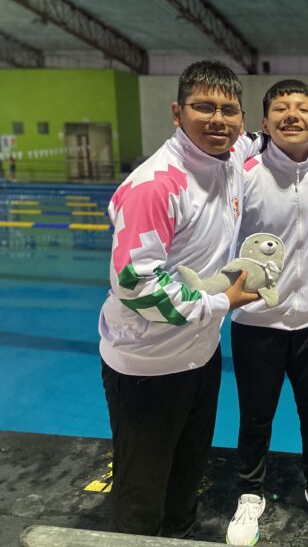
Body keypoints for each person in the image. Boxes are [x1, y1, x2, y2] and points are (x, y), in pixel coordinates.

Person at [98, 60, 261, 538]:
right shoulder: (157, 184)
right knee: (141, 492)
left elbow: (270, 136)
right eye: (203, 107)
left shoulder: (229, 159)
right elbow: (134, 284)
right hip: (146, 368)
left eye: (228, 110)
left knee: (188, 476)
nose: (218, 119)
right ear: (177, 112)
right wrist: (221, 303)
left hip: (199, 357)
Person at [225, 80, 308, 545]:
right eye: (280, 108)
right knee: (256, 414)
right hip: (257, 323)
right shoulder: (246, 174)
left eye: (302, 109)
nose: (291, 115)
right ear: (264, 122)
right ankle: (250, 493)